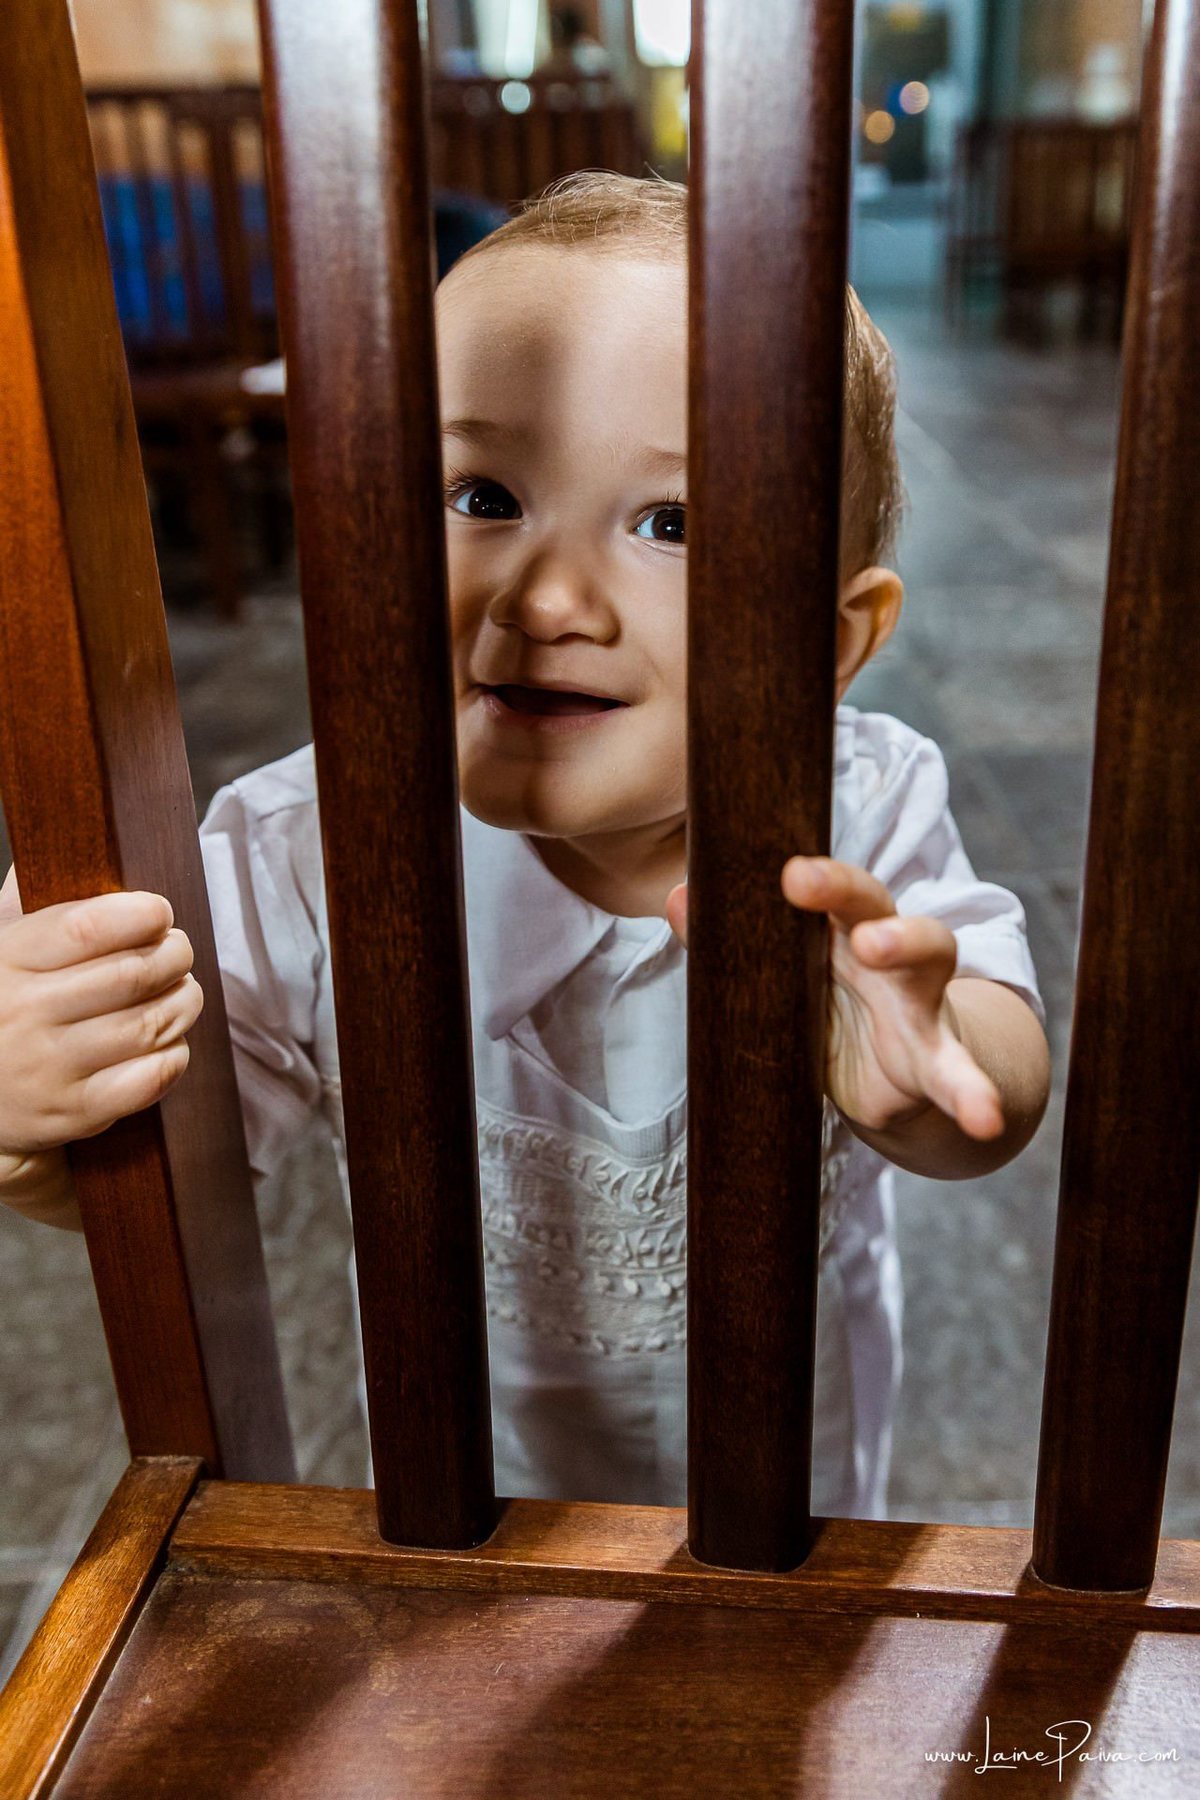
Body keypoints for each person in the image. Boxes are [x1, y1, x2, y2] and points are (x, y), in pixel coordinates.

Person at [0, 173, 1050, 1517]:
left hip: (802, 1479)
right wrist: (43, 1115)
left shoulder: (865, 806)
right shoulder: (307, 849)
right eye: (481, 494)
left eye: (668, 524)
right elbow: (162, 1186)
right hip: (466, 1502)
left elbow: (992, 1088)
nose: (547, 595)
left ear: (834, 645)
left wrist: (925, 1067)